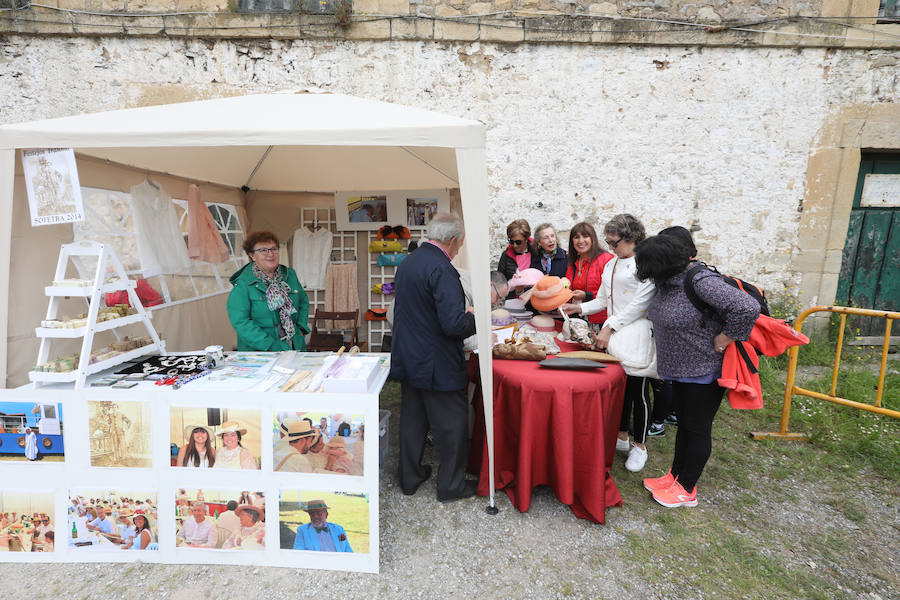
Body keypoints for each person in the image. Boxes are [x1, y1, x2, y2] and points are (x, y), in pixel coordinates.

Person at [635, 235, 759, 508]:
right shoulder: (667, 281)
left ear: (662, 264)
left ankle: (687, 489)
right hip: (678, 369)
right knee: (684, 427)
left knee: (697, 428)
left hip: (704, 370)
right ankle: (674, 477)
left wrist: (724, 339)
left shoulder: (700, 280)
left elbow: (747, 307)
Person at [391, 213, 477, 502]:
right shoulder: (443, 269)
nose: (458, 250)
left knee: (413, 421)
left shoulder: (408, 263)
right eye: (459, 245)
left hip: (410, 355)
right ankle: (451, 485)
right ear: (452, 240)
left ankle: (410, 477)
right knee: (452, 423)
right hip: (437, 361)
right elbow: (452, 324)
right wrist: (473, 318)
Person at [562, 214, 656, 473]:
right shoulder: (611, 264)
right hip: (615, 332)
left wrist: (609, 326)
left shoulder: (646, 263)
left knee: (639, 390)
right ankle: (622, 434)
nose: (611, 247)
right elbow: (603, 300)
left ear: (632, 238)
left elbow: (640, 304)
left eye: (614, 243)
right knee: (621, 387)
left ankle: (641, 446)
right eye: (609, 242)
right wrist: (578, 307)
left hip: (636, 332)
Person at [646, 225, 697, 437]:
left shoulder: (691, 274)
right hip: (678, 336)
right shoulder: (677, 270)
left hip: (680, 338)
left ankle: (657, 422)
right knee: (668, 379)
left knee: (662, 379)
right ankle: (672, 412)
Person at [227, 230, 310, 351]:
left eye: (273, 249)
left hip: (294, 345)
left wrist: (301, 328)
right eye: (263, 250)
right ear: (252, 255)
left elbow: (303, 302)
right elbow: (241, 322)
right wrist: (270, 345)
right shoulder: (243, 283)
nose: (270, 254)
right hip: (261, 352)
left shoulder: (290, 275)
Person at [565, 221, 615, 330]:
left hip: (600, 321)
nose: (581, 241)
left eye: (585, 236)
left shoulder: (606, 259)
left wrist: (586, 295)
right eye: (576, 237)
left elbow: (611, 293)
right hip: (576, 319)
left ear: (593, 239)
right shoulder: (572, 262)